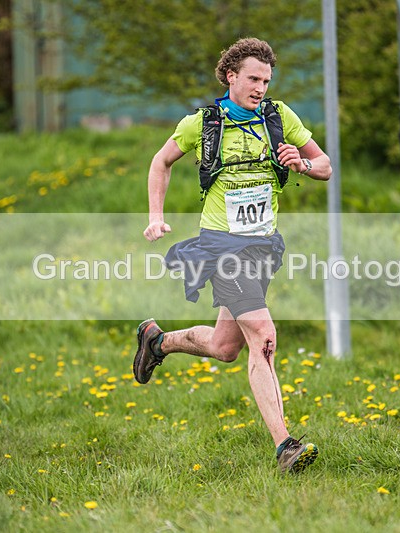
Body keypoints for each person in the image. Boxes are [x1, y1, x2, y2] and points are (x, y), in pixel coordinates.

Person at [135, 37, 331, 474]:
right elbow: (160, 162)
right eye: (253, 79)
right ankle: (286, 446)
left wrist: (301, 163)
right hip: (221, 246)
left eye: (267, 81)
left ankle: (157, 341)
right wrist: (155, 217)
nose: (261, 88)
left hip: (262, 246)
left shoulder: (280, 117)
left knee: (225, 348)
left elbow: (325, 166)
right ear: (231, 77)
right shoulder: (203, 123)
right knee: (263, 334)